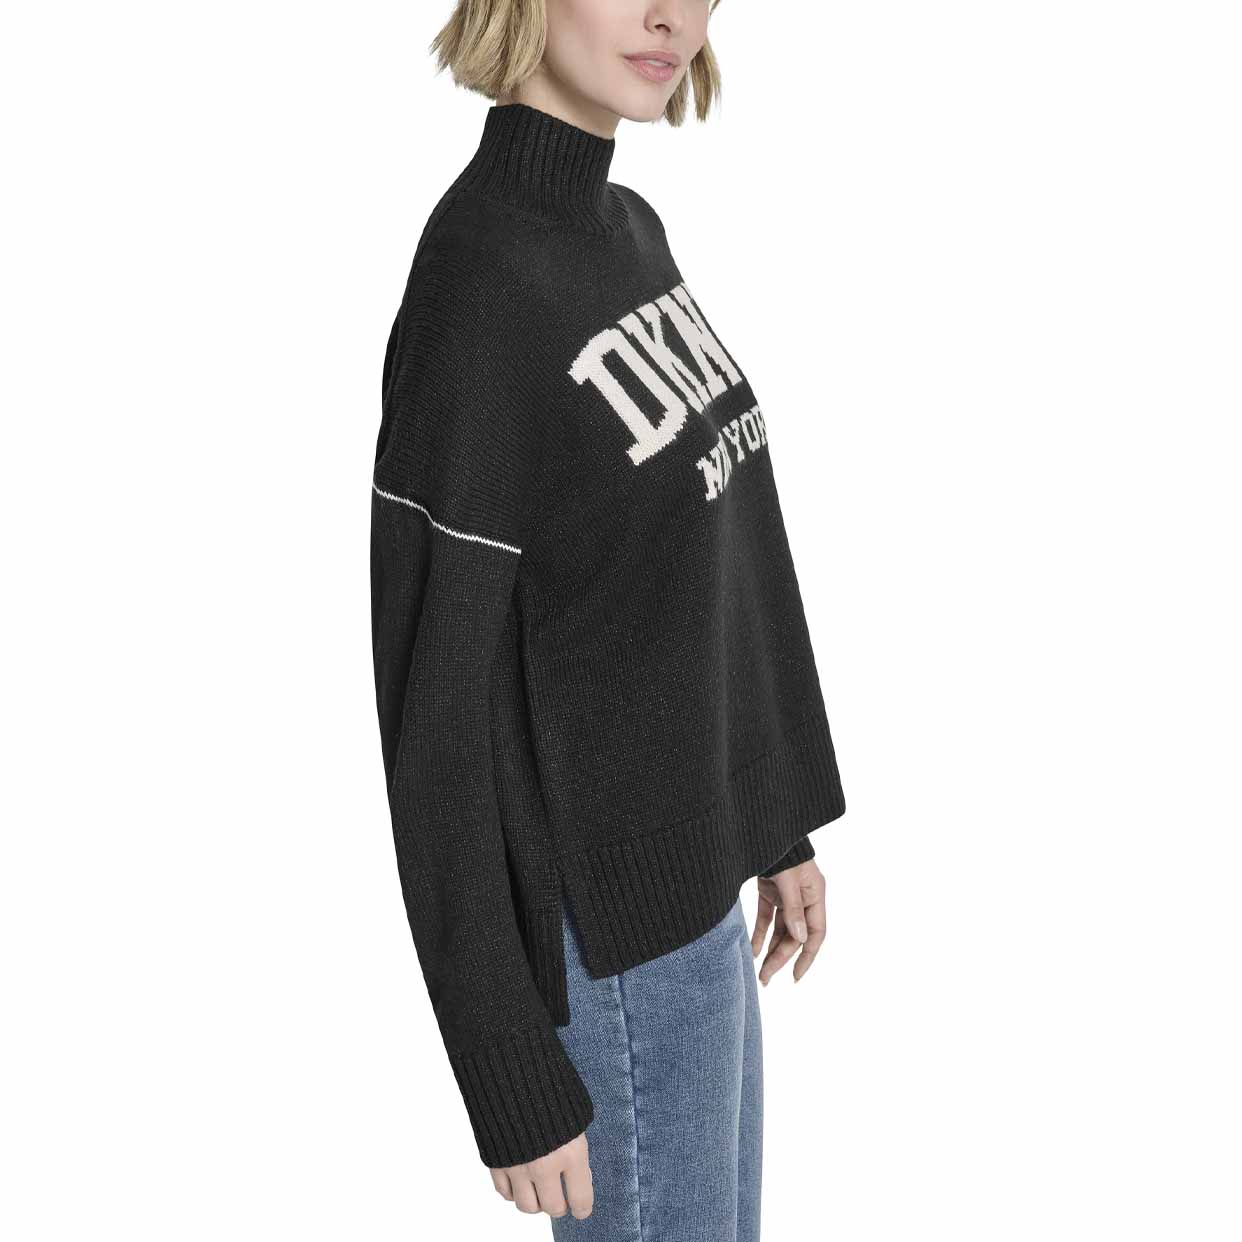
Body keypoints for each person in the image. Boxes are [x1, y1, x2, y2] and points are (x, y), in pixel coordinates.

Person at [369, 2, 846, 1236]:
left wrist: (772, 814)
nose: (670, 16)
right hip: (605, 951)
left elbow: (711, 559)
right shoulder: (481, 282)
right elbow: (434, 717)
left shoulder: (625, 230)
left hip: (694, 902)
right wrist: (504, 1063)